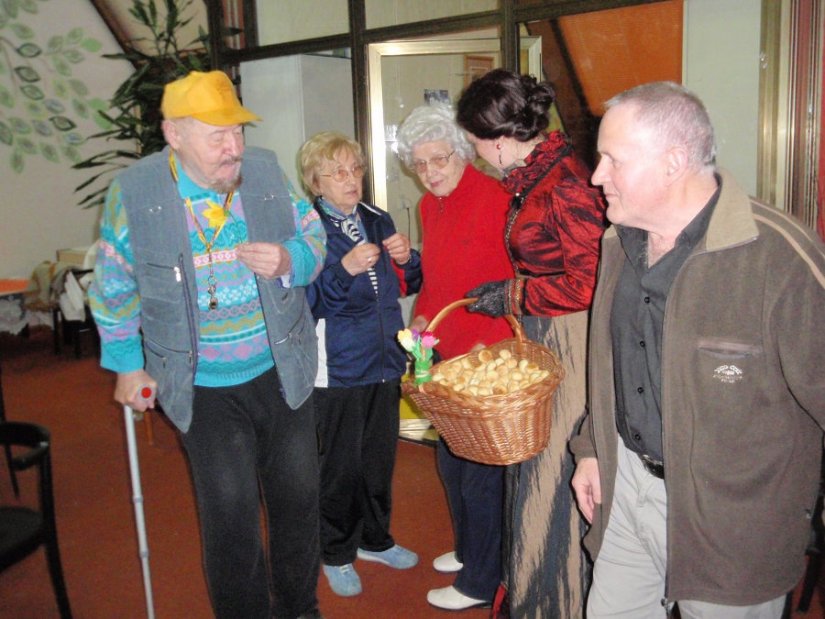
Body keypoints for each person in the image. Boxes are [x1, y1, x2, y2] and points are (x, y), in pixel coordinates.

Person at [569, 81, 825, 618]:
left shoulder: (777, 259)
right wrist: (591, 448)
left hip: (731, 526)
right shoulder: (619, 242)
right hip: (627, 488)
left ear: (674, 161)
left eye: (613, 160)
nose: (597, 177)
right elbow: (611, 368)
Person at [88, 70, 326, 619]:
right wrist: (127, 366)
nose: (233, 148)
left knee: (297, 499)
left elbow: (314, 235)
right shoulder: (135, 192)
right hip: (202, 384)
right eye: (216, 135)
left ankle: (299, 608)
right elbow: (113, 285)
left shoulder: (263, 171)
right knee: (231, 512)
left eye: (237, 132)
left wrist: (293, 258)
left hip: (280, 368)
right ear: (173, 135)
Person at [456, 68, 606, 617]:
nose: (474, 156)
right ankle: (535, 593)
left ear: (498, 140)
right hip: (547, 335)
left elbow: (593, 283)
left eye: (474, 144)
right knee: (534, 470)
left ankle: (556, 602)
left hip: (570, 343)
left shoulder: (563, 183)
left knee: (552, 475)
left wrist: (514, 294)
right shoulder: (539, 175)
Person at [396, 102, 515, 611]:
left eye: (439, 159)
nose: (430, 172)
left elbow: (512, 281)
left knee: (481, 474)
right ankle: (471, 552)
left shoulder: (495, 198)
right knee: (450, 462)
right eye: (420, 164)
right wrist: (421, 317)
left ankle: (482, 582)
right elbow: (439, 277)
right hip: (444, 352)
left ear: (463, 151)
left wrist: (499, 340)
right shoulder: (429, 206)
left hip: (486, 359)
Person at [299, 131, 422, 597]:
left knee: (378, 458)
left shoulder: (376, 216)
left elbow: (407, 283)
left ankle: (375, 538)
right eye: (337, 172)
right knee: (339, 466)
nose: (351, 179)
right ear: (316, 181)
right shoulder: (308, 227)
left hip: (386, 359)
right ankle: (335, 551)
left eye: (356, 169)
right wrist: (342, 269)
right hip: (338, 366)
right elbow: (304, 300)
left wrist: (409, 258)